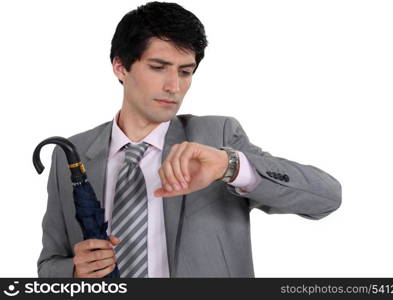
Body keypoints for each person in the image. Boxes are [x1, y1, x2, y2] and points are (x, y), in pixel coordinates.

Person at [38, 1, 342, 278]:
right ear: (121, 67)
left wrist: (230, 165)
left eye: (186, 72)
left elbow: (326, 198)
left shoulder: (217, 137)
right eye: (158, 67)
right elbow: (49, 265)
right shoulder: (71, 152)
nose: (174, 86)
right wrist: (75, 271)